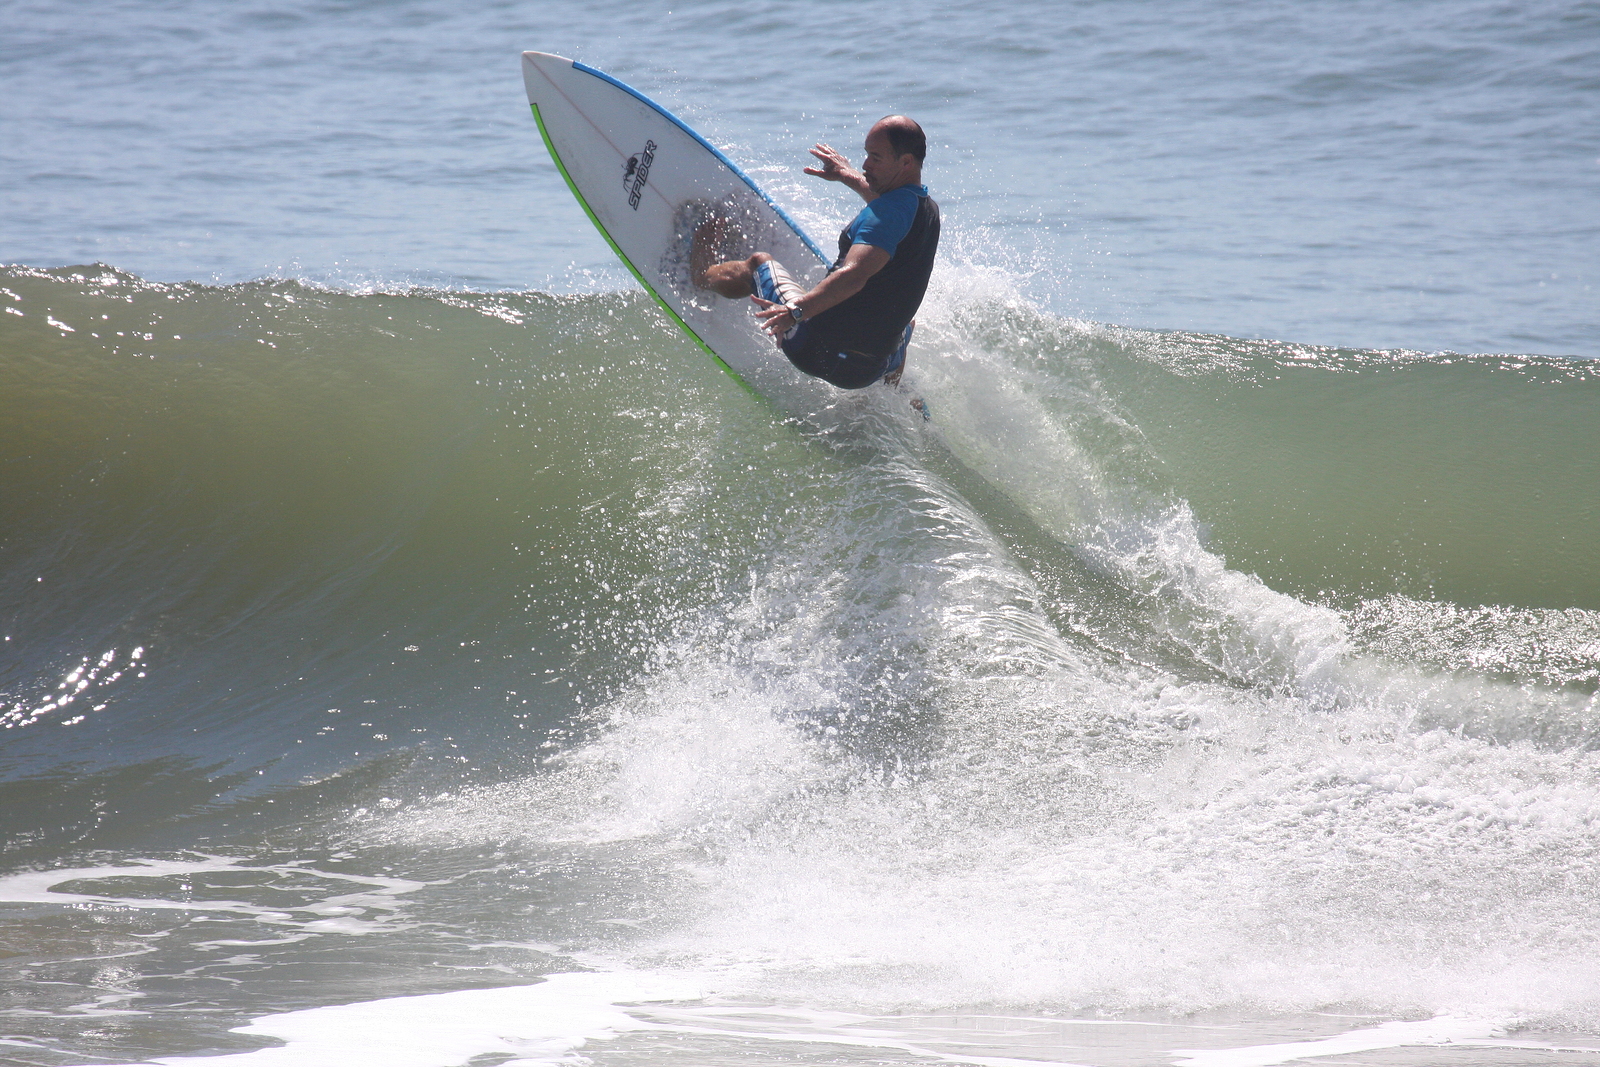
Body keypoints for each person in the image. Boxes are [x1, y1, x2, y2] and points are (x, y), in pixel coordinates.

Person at [691, 115, 940, 389]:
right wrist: (846, 175)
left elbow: (854, 275)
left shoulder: (887, 215)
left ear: (905, 162)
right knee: (905, 325)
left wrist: (795, 312)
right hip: (866, 370)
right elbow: (886, 206)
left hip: (815, 350)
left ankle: (701, 276)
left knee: (758, 262)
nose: (865, 164)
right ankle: (893, 393)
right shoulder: (925, 209)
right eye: (866, 155)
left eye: (876, 158)